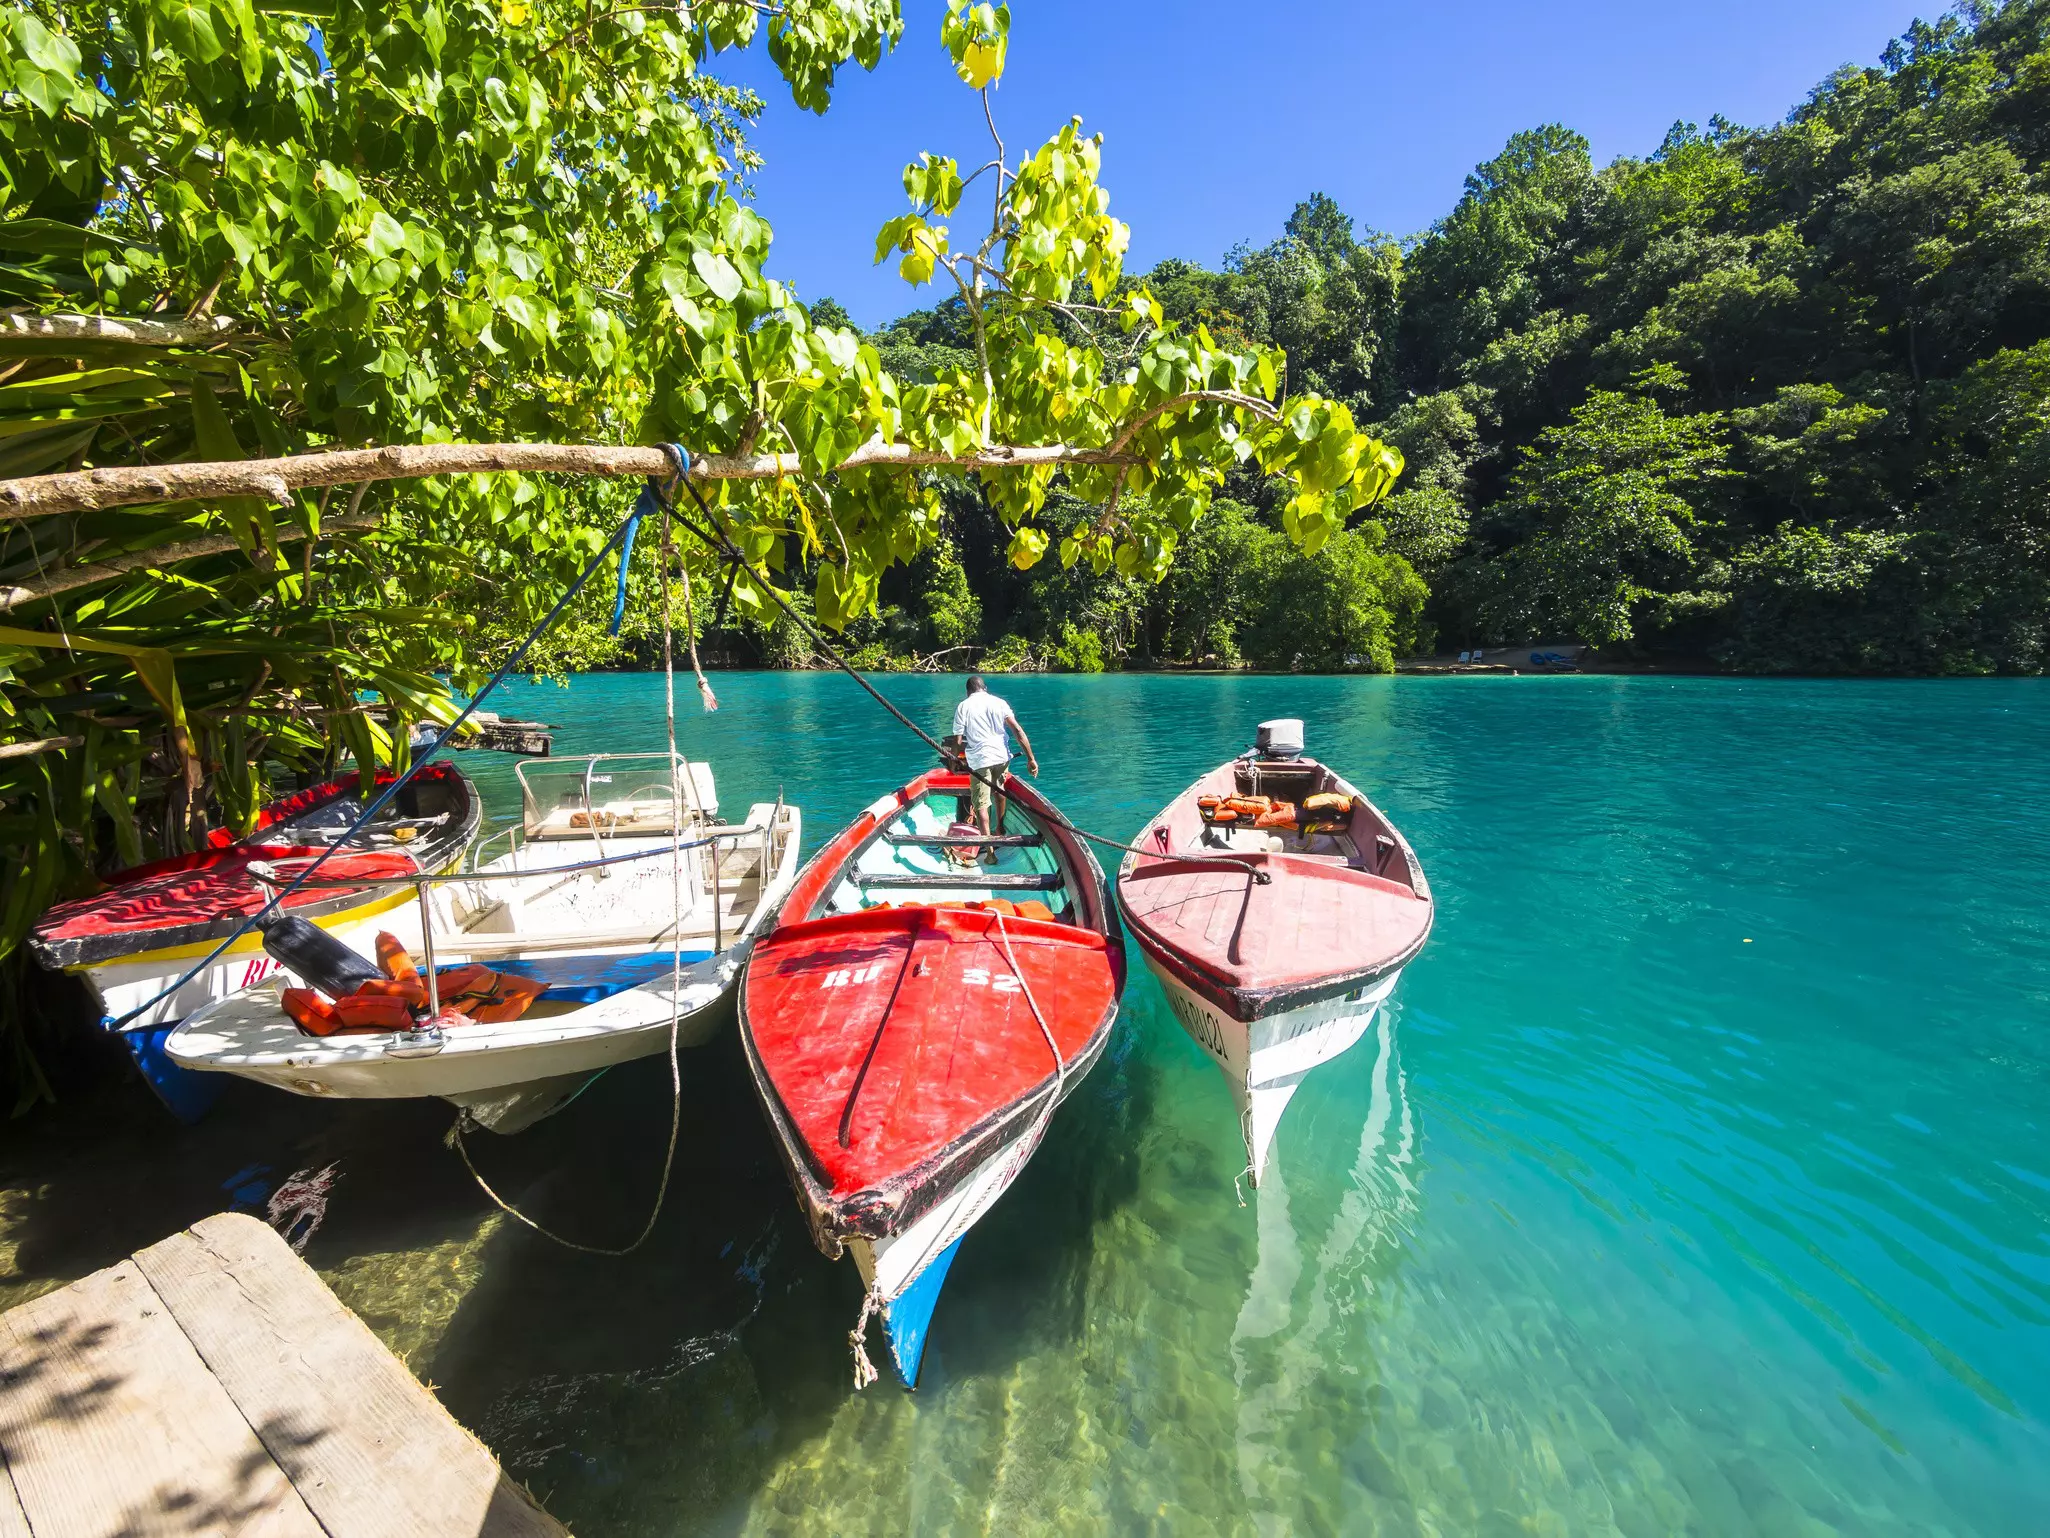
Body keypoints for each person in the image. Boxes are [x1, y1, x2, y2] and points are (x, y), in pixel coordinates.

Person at [952, 676, 1038, 839]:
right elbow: (1018, 731)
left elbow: (957, 741)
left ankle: (989, 851)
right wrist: (1031, 759)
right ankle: (1000, 829)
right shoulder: (999, 702)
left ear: (968, 691)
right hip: (1001, 757)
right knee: (999, 790)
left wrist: (953, 761)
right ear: (985, 688)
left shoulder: (963, 706)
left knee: (981, 804)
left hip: (979, 760)